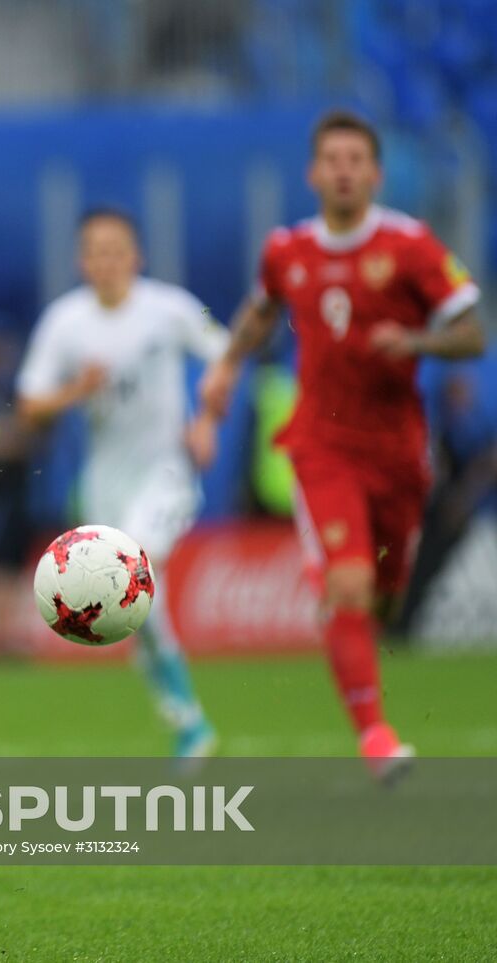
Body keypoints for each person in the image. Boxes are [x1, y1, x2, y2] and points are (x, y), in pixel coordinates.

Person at [200, 110, 484, 781]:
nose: (345, 170)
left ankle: (348, 608)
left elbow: (472, 333)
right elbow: (263, 309)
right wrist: (225, 366)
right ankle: (376, 736)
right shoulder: (287, 251)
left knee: (383, 594)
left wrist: (416, 341)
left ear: (376, 173)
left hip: (400, 453)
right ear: (314, 172)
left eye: (357, 159)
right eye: (333, 159)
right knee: (349, 584)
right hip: (322, 445)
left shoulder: (411, 246)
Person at [16, 209, 222, 760]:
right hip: (105, 483)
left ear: (137, 256)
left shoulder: (174, 308)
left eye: (117, 250)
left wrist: (206, 420)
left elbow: (223, 351)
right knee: (137, 607)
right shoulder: (66, 322)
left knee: (136, 572)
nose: (107, 262)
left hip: (168, 471)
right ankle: (187, 721)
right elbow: (30, 403)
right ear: (82, 261)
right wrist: (74, 391)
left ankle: (189, 723)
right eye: (96, 252)